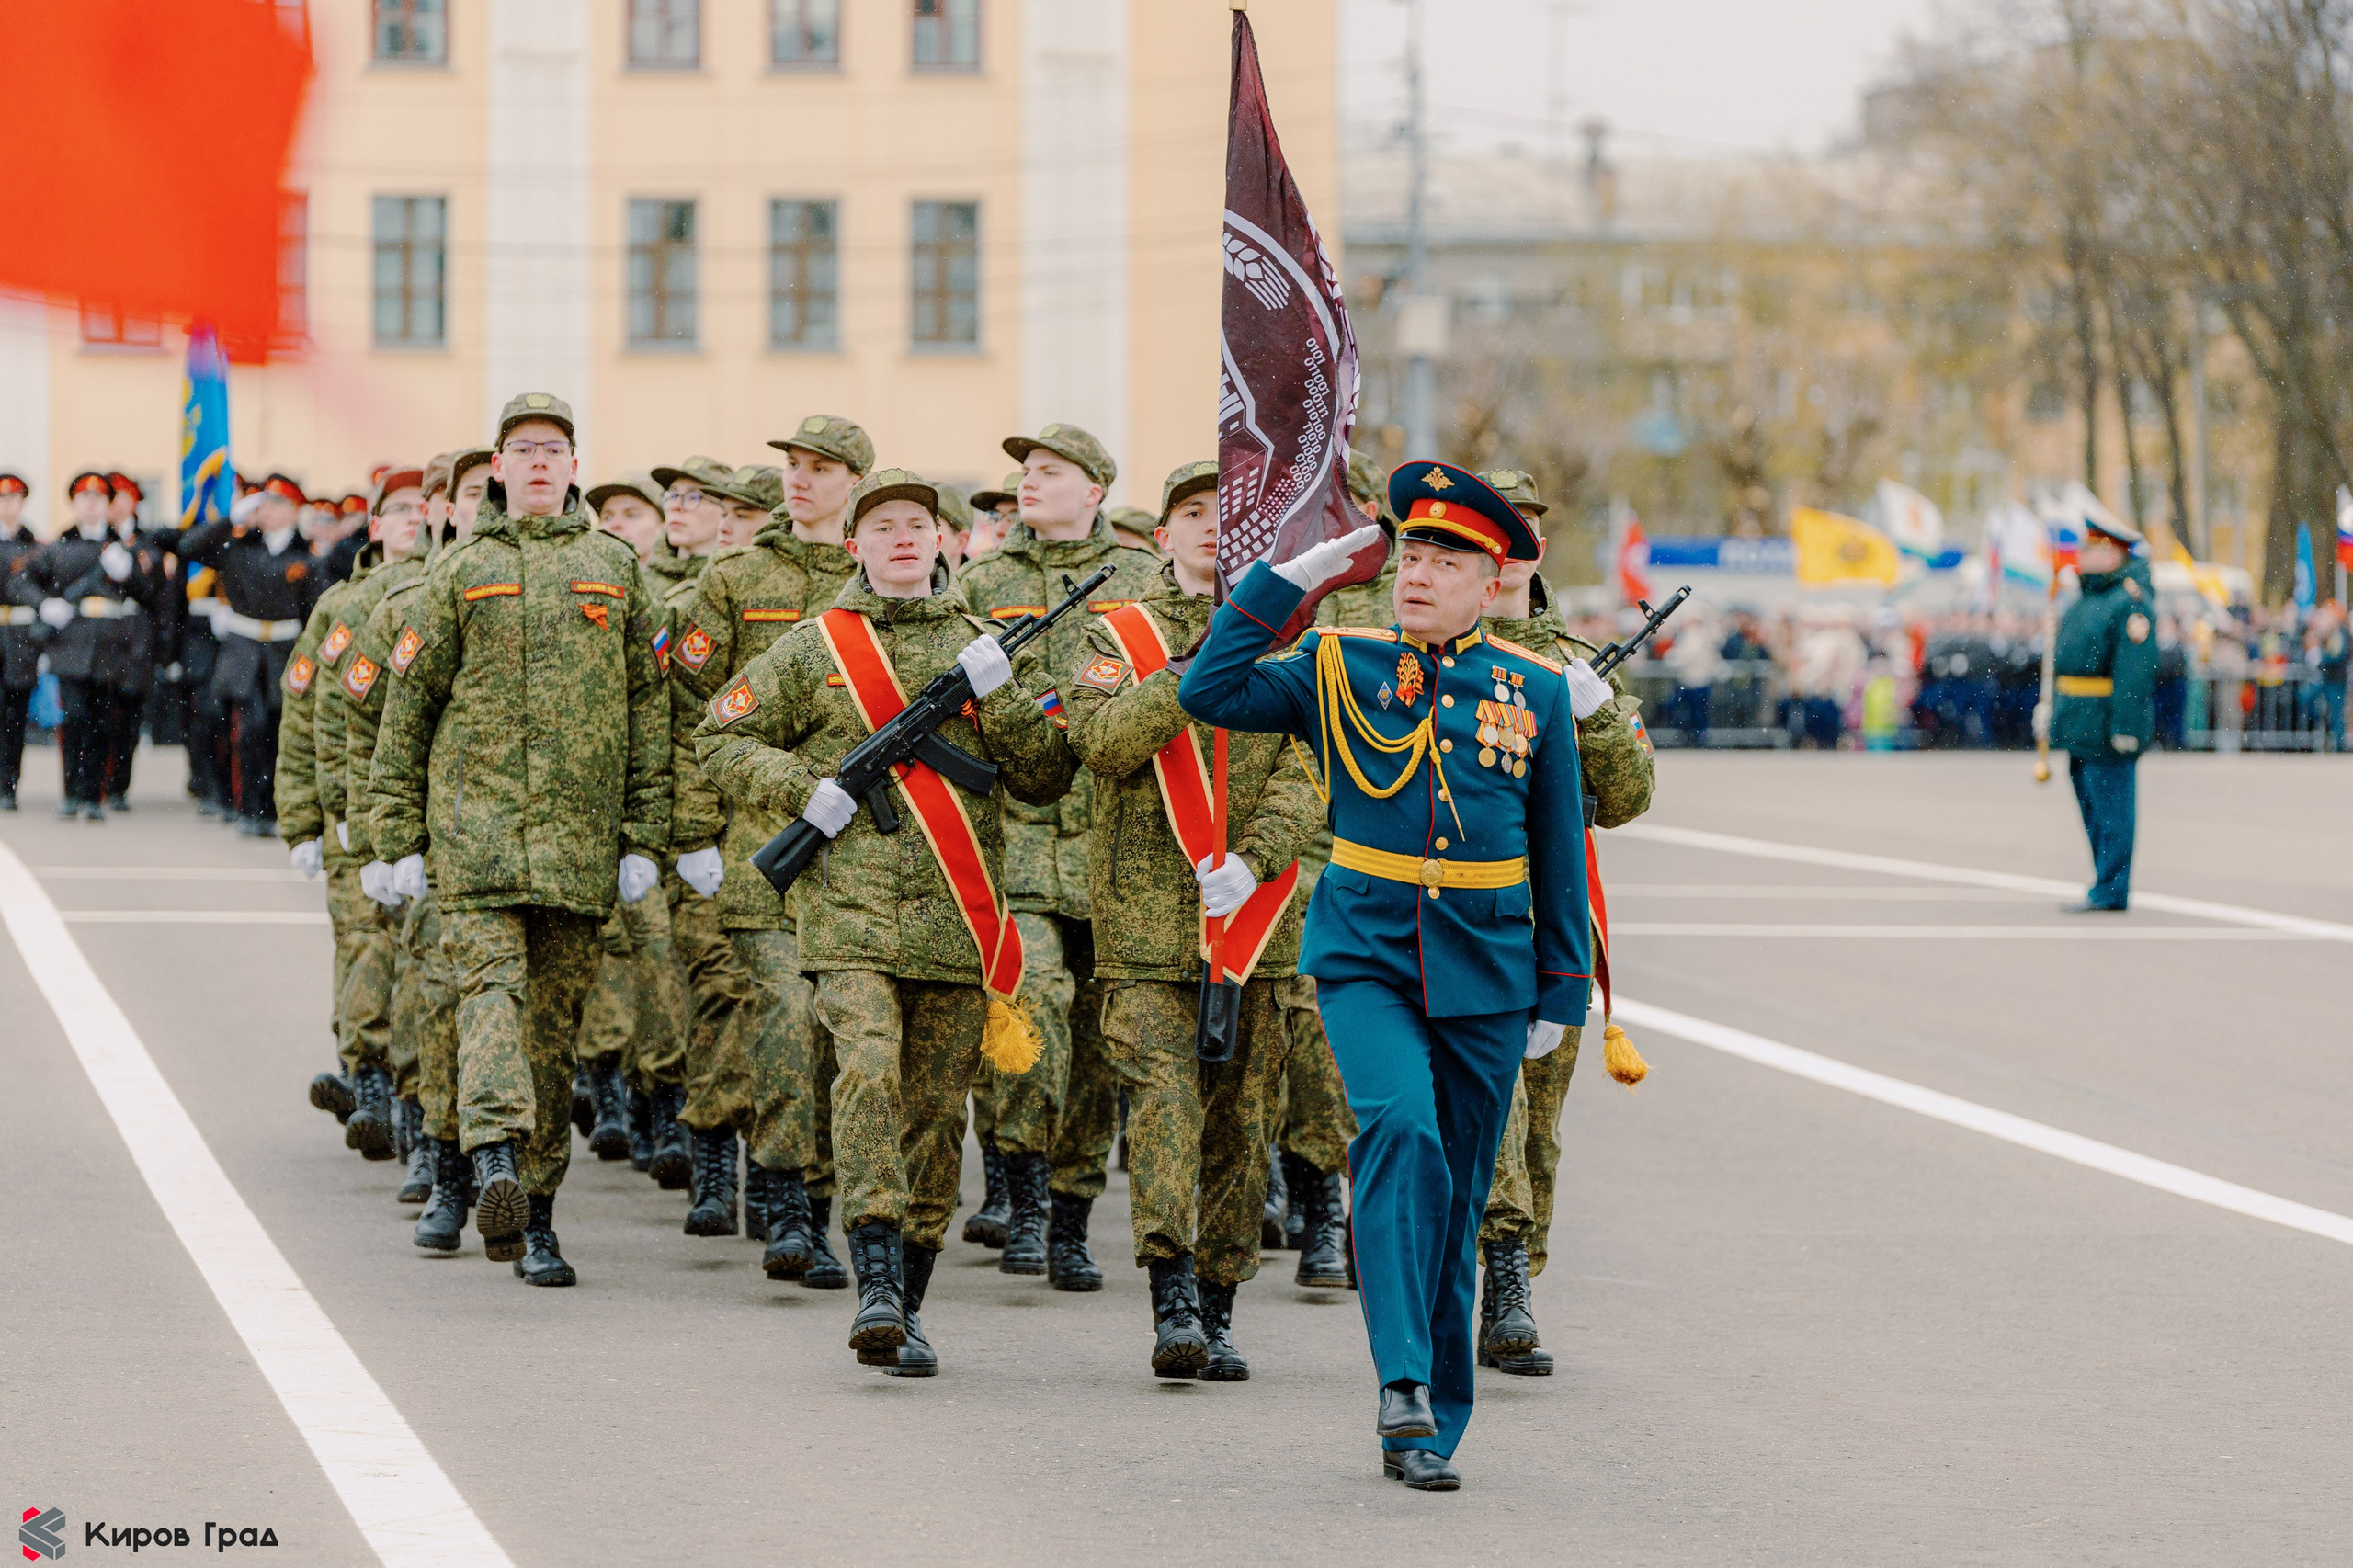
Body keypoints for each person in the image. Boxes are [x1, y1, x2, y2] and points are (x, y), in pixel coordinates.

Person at [1178, 461, 1602, 1492]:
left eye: (1444, 559)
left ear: (1491, 577)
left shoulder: (1536, 689)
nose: (1417, 573)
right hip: (1364, 948)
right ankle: (1401, 1382)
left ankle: (1430, 1413)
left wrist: (1561, 986)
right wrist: (1296, 579)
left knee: (1455, 1196)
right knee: (1399, 1132)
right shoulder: (1337, 659)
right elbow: (1209, 687)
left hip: (1491, 964)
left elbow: (1556, 844)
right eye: (1410, 552)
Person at [696, 466, 1075, 1375]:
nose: (903, 537)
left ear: (944, 541)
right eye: (884, 526)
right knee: (866, 1074)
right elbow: (719, 732)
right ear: (853, 546)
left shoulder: (985, 650)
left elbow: (1044, 776)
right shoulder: (815, 646)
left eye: (919, 524)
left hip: (956, 921)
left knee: (937, 1119)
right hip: (850, 915)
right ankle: (870, 1273)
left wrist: (1005, 694)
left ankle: (906, 1297)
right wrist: (802, 789)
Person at [370, 393, 670, 1286]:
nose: (539, 463)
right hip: (476, 836)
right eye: (522, 450)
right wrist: (397, 833)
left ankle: (534, 1215)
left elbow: (650, 708)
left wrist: (642, 835)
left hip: (580, 842)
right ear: (496, 468)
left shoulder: (616, 569)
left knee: (551, 1028)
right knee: (490, 995)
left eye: (554, 449)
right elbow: (409, 706)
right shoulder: (460, 570)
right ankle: (493, 1156)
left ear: (574, 465)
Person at [1064, 460, 1322, 1379]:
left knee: (1240, 1126)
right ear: (1160, 534)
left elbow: (1310, 772)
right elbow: (1099, 743)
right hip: (1143, 930)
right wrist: (1190, 672)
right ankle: (1170, 1297)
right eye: (1190, 512)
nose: (1211, 526)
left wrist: (1256, 858)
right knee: (1166, 1112)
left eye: (1229, 513)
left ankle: (1218, 1301)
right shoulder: (1114, 636)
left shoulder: (1297, 644)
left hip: (1255, 929)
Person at [955, 424, 1162, 1287]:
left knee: (1103, 1042)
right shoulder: (983, 581)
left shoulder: (1147, 583)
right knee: (1032, 1007)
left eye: (1050, 470)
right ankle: (1026, 1196)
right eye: (1024, 472)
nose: (1029, 482)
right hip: (1017, 844)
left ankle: (1073, 1211)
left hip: (1121, 852)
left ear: (1096, 489)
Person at [666, 415, 865, 1272]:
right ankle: (789, 1206)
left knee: (841, 1039)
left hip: (871, 860)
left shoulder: (887, 580)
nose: (799, 478)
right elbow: (690, 717)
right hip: (764, 846)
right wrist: (690, 833)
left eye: (820, 467)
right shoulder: (736, 577)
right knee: (783, 1023)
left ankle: (834, 1198)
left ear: (857, 479)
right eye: (792, 464)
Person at [1472, 468, 1655, 1378]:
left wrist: (1597, 720)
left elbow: (1628, 799)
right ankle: (1499, 1274)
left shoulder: (1572, 660)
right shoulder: (1421, 647)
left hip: (1552, 917)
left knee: (1538, 1116)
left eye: (1521, 533)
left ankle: (1513, 1276)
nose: (1505, 552)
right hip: (1459, 912)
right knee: (1491, 1102)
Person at [351, 447, 490, 1250]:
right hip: (442, 839)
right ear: (440, 509)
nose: (475, 505)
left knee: (522, 1019)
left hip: (536, 842)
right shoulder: (404, 599)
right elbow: (365, 726)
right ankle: (441, 1156)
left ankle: (513, 1175)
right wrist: (380, 837)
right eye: (463, 495)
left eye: (485, 492)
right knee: (435, 999)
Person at [281, 468, 421, 1162]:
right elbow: (307, 717)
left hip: (426, 814)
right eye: (399, 510)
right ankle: (367, 1079)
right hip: (352, 813)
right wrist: (303, 820)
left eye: (424, 508)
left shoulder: (444, 590)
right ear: (375, 526)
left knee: (418, 953)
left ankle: (405, 1091)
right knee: (364, 941)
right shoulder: (343, 605)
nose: (413, 519)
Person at [182, 474, 326, 834]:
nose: (267, 510)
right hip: (244, 648)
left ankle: (277, 809)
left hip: (286, 649)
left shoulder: (306, 555)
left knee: (282, 733)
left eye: (278, 503)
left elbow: (316, 609)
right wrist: (231, 518)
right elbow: (189, 547)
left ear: (295, 511)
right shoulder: (239, 545)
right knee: (248, 729)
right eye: (264, 503)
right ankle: (248, 808)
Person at [28, 472, 170, 821]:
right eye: (84, 498)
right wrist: (45, 604)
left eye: (98, 499)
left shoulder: (124, 548)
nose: (91, 505)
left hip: (112, 646)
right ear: (75, 504)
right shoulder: (59, 548)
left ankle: (94, 796)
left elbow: (149, 594)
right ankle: (71, 793)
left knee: (102, 721)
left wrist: (129, 574)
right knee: (74, 718)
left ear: (108, 505)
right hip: (71, 644)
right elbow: (25, 580)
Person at [2039, 512, 2157, 913]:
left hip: (2106, 721)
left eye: (2092, 548)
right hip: (2080, 719)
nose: (2083, 555)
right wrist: (2052, 709)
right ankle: (2104, 881)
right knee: (2093, 808)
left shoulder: (2128, 603)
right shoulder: (2088, 600)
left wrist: (2127, 726)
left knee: (2112, 812)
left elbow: (2133, 673)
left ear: (2112, 555)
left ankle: (2112, 887)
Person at [1, 472, 39, 811]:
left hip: (19, 639)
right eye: (2, 499)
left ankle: (8, 785)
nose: (7, 504)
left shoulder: (34, 545)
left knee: (15, 715)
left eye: (13, 498)